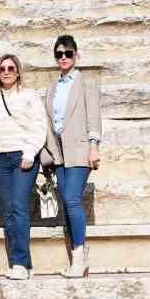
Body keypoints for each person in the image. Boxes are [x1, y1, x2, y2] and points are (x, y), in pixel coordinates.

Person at [0, 54, 49, 280]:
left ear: (18, 71)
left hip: (23, 157)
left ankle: (19, 261)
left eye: (11, 68)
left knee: (19, 205)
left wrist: (30, 152)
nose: (7, 72)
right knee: (8, 210)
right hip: (0, 159)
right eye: (2, 69)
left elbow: (39, 125)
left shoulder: (29, 96)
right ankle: (23, 264)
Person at [40, 35, 102, 278]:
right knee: (66, 203)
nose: (63, 58)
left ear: (76, 55)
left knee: (72, 199)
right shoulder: (52, 88)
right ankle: (78, 256)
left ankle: (79, 257)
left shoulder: (87, 83)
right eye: (59, 54)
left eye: (68, 53)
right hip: (60, 154)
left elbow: (93, 117)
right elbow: (50, 122)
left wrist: (94, 146)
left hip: (81, 150)